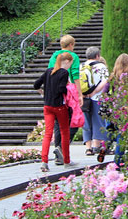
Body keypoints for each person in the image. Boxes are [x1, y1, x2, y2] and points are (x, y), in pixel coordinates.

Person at [34, 51, 76, 172]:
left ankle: (44, 162)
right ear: (66, 62)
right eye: (70, 64)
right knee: (65, 132)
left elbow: (36, 84)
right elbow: (61, 89)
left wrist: (43, 93)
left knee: (48, 133)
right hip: (59, 107)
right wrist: (70, 91)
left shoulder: (48, 71)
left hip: (47, 106)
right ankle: (66, 160)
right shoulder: (64, 73)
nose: (70, 66)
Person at [47, 35, 80, 163]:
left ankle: (58, 154)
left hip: (54, 92)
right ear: (71, 44)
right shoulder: (73, 56)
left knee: (58, 123)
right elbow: (75, 75)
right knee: (74, 122)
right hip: (68, 92)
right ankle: (61, 149)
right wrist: (79, 95)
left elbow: (49, 72)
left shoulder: (54, 56)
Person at [80, 47, 109, 159]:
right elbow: (105, 81)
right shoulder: (101, 66)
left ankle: (88, 148)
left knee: (86, 122)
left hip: (84, 98)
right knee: (98, 121)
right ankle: (97, 145)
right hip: (97, 98)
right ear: (97, 56)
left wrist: (81, 94)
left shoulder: (81, 66)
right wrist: (94, 92)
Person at [107, 53, 128, 165]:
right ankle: (118, 161)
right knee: (123, 135)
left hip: (114, 110)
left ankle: (118, 157)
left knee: (117, 134)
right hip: (127, 109)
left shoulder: (112, 77)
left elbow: (105, 93)